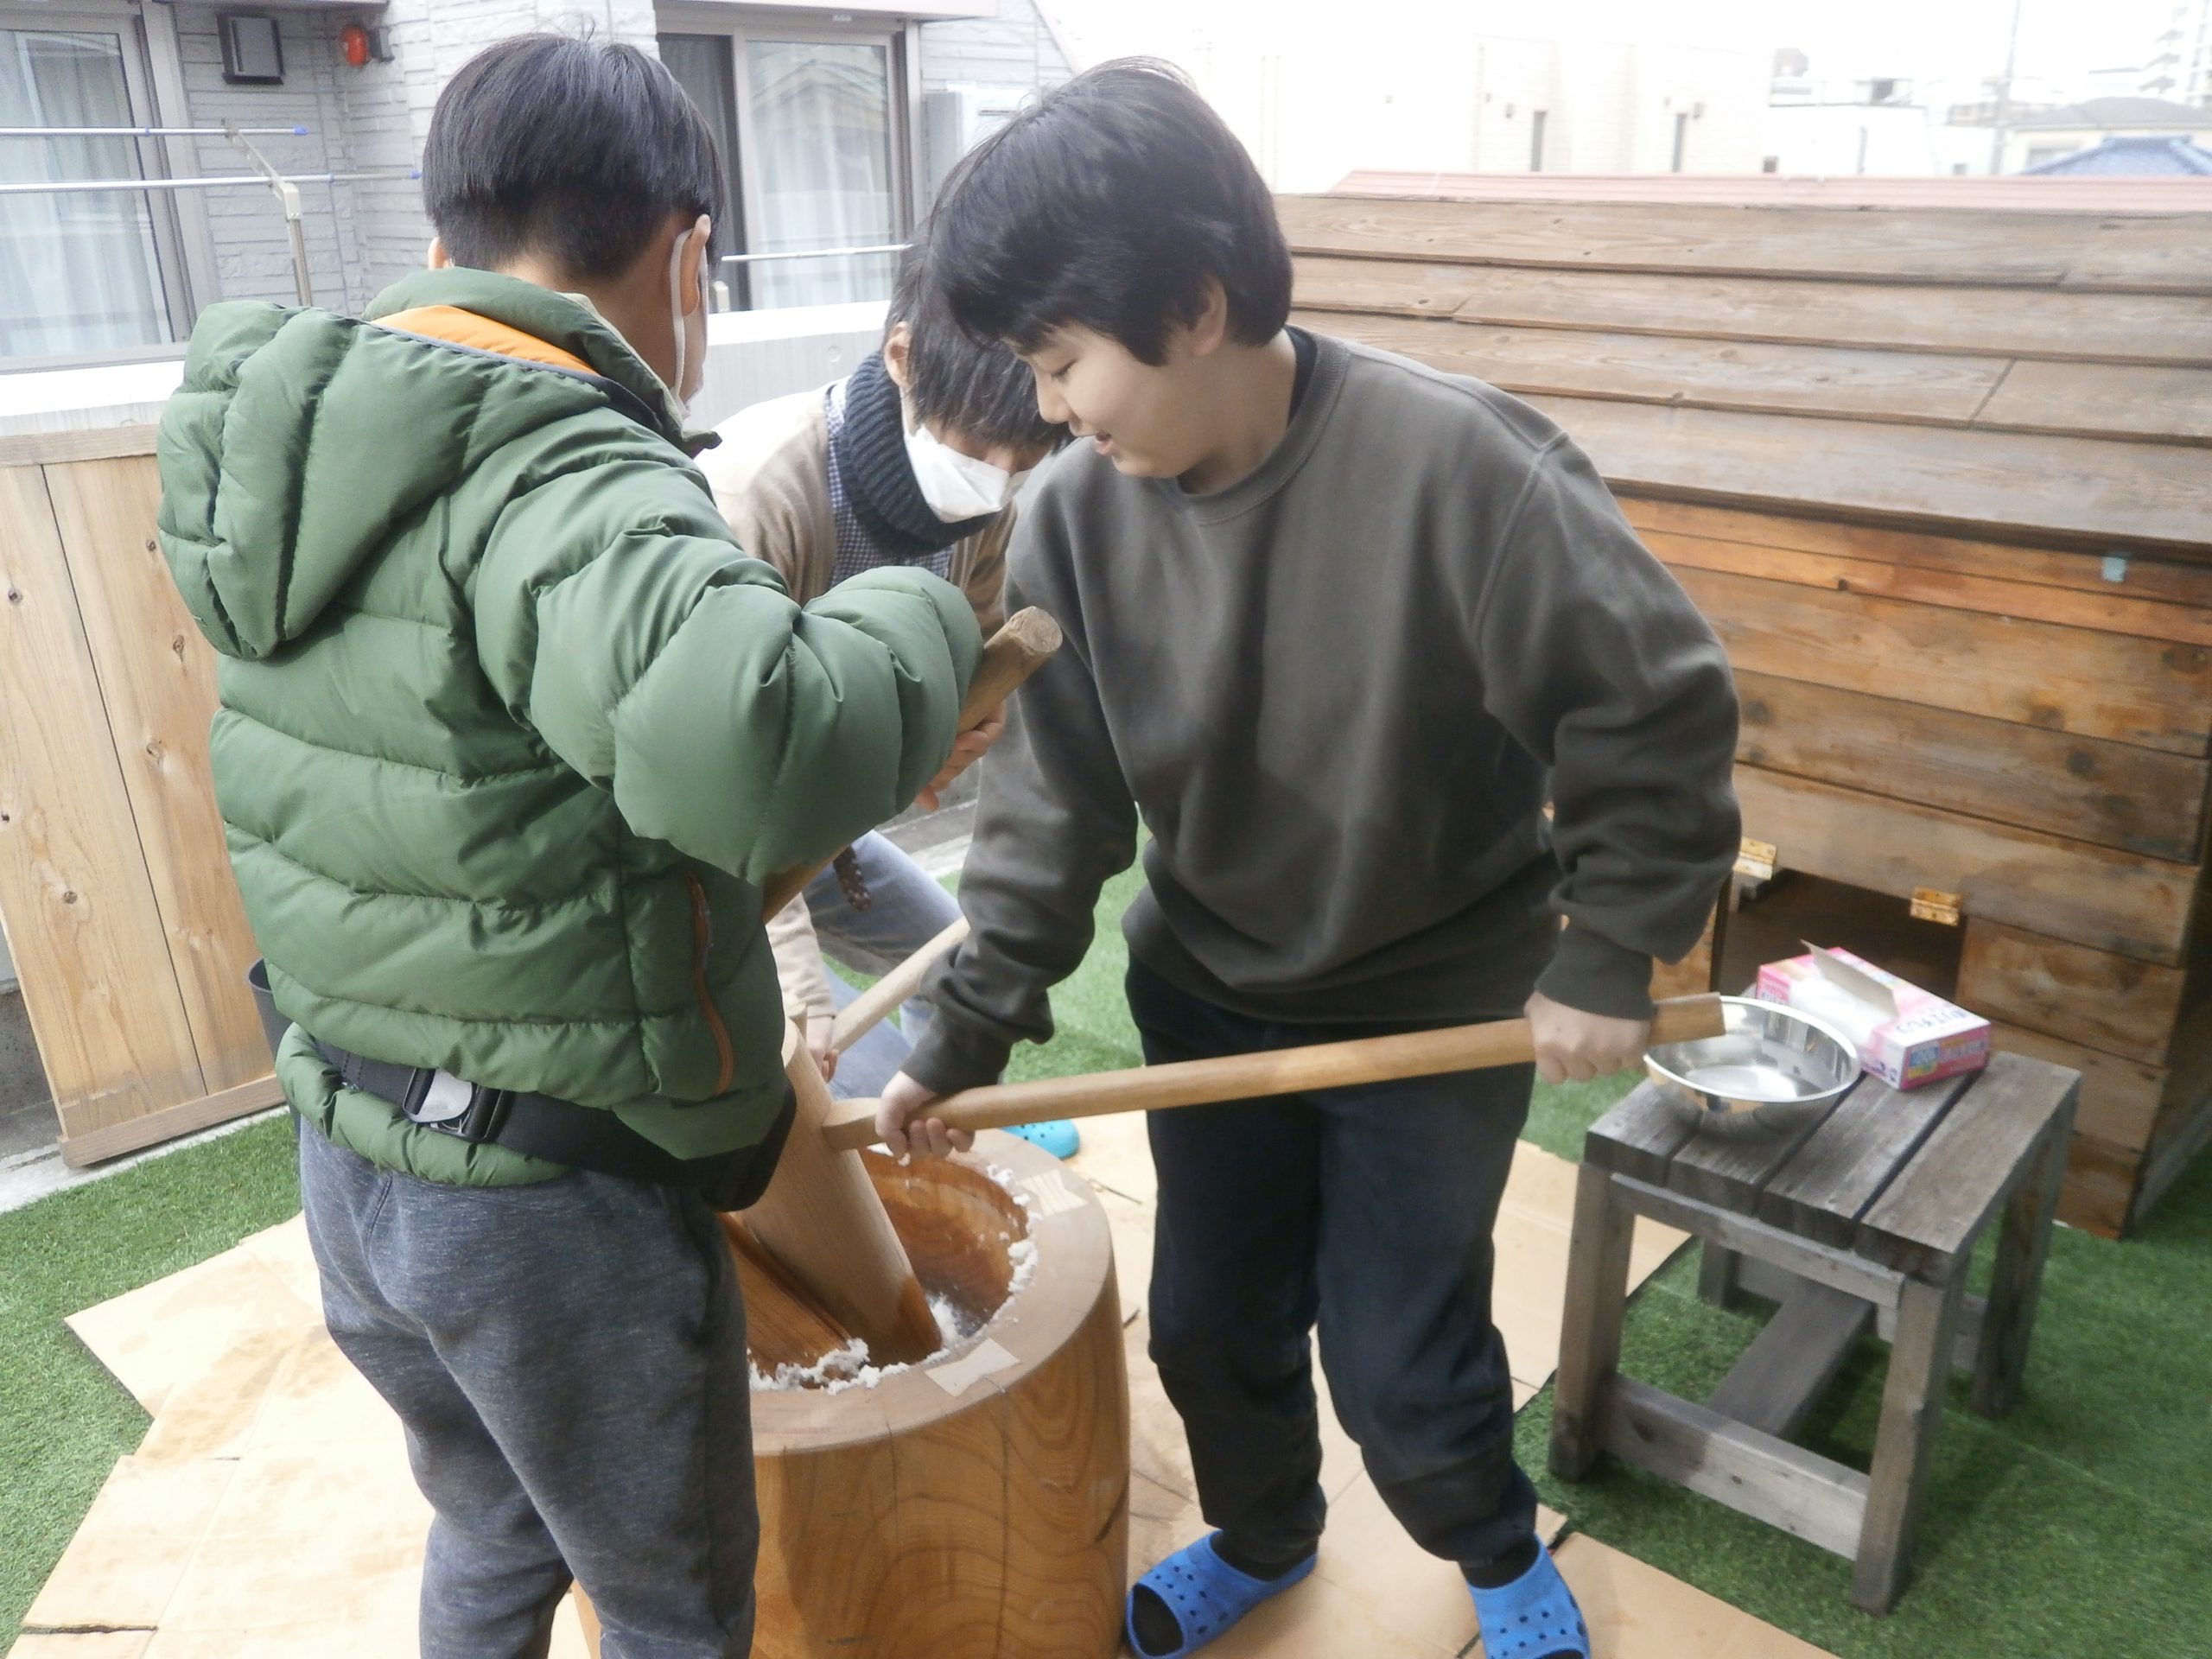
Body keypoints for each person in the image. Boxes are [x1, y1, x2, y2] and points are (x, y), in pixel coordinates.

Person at [875, 60, 1740, 1659]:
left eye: (1066, 362)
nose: (1052, 408)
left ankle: (1493, 1557)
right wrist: (967, 1027)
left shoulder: (1468, 475)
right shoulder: (1070, 518)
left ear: (1196, 303)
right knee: (1211, 1330)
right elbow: (1053, 808)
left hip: (1437, 1007)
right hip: (1213, 989)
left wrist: (1611, 944)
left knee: (1403, 1362)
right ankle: (1267, 1538)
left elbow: (1656, 710)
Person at [156, 35, 981, 1659]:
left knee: (494, 1527)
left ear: (440, 220)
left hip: (352, 1144)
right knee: (671, 1606)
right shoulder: (558, 458)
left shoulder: (313, 448)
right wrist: (914, 609)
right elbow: (764, 744)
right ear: (685, 254)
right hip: (543, 1197)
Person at [700, 248, 1081, 1157]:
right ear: (903, 358)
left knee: (953, 958)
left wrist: (963, 726)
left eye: (1019, 459)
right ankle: (878, 1146)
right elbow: (724, 786)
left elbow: (975, 644)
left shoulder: (984, 510)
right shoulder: (764, 494)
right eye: (975, 448)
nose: (993, 480)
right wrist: (793, 989)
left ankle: (938, 1105)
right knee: (817, 1072)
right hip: (706, 848)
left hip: (826, 824)